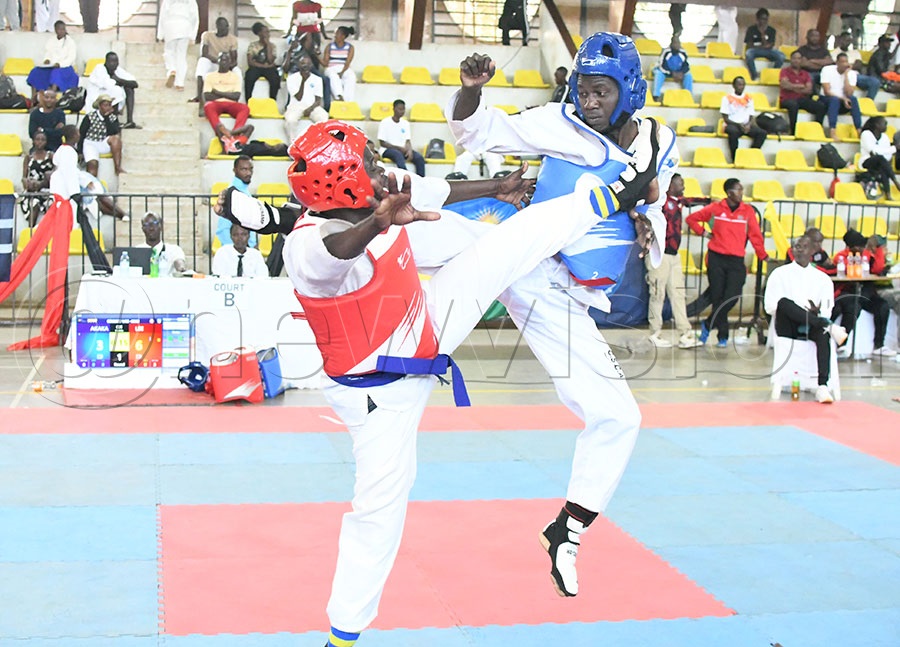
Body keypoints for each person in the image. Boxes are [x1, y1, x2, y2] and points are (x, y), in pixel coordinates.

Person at [214, 116, 661, 647]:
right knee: (379, 510)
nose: (381, 167)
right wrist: (376, 224)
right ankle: (343, 636)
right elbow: (336, 251)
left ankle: (612, 199)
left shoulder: (378, 196)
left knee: (509, 243)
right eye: (370, 164)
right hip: (381, 392)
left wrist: (496, 187)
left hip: (424, 323)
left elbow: (437, 191)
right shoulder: (309, 251)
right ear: (347, 183)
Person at [445, 33, 672, 600]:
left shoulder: (657, 139)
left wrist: (649, 221)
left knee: (619, 416)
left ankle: (567, 530)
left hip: (561, 298)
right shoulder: (556, 123)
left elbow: (651, 194)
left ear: (628, 91)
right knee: (440, 235)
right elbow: (479, 131)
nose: (588, 101)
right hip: (523, 253)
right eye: (582, 90)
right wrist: (471, 92)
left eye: (601, 92)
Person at [764, 235, 847, 403]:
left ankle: (822, 386)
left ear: (813, 251)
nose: (799, 250)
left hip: (811, 325)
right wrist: (800, 312)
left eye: (804, 247)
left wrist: (816, 314)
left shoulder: (822, 278)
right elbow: (770, 306)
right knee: (784, 303)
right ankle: (829, 326)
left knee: (822, 332)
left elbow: (827, 309)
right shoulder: (779, 274)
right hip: (787, 326)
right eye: (796, 246)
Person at [686, 178, 768, 347]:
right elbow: (691, 219)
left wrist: (763, 255)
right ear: (729, 192)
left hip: (736, 261)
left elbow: (755, 235)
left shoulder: (747, 211)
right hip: (716, 258)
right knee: (718, 298)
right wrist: (704, 233)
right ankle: (722, 336)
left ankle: (707, 324)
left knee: (732, 297)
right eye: (739, 190)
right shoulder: (716, 208)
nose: (742, 193)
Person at [647, 173, 703, 349]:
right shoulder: (660, 202)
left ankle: (684, 333)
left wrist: (710, 200)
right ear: (671, 185)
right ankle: (654, 333)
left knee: (678, 293)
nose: (683, 187)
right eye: (681, 184)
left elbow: (690, 200)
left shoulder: (678, 201)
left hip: (674, 255)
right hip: (659, 254)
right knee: (657, 294)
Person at [831, 229, 895, 357]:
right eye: (859, 246)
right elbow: (846, 272)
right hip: (848, 291)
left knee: (882, 306)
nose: (862, 248)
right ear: (851, 246)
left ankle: (879, 345)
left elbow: (877, 269)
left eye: (862, 246)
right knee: (853, 308)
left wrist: (879, 249)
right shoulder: (841, 257)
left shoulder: (867, 255)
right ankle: (841, 344)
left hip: (866, 292)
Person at [203, 53, 252, 149]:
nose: (224, 62)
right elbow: (207, 96)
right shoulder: (210, 76)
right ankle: (222, 133)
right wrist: (228, 94)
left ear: (230, 63)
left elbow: (236, 96)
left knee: (245, 108)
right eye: (222, 60)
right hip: (216, 103)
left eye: (226, 60)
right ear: (218, 61)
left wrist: (217, 92)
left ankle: (234, 134)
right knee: (208, 106)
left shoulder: (235, 77)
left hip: (231, 104)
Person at [190, 17, 238, 105]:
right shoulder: (207, 35)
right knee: (202, 61)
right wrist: (217, 60)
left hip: (224, 64)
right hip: (211, 61)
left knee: (237, 72)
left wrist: (226, 65)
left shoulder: (232, 39)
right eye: (224, 27)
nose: (226, 29)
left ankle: (236, 100)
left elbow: (234, 60)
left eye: (227, 27)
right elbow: (204, 53)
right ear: (218, 27)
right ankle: (199, 96)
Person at [86, 52, 140, 129]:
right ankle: (114, 121)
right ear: (106, 62)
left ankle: (130, 121)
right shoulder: (99, 69)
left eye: (116, 61)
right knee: (117, 91)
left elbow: (135, 84)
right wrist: (120, 81)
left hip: (110, 96)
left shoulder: (117, 70)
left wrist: (118, 79)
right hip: (96, 98)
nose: (114, 64)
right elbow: (109, 85)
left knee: (129, 89)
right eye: (112, 61)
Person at [779, 50, 827, 135]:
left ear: (801, 60)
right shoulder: (784, 71)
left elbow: (809, 90)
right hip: (787, 99)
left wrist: (792, 86)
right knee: (793, 105)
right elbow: (784, 85)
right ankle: (793, 132)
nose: (796, 61)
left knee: (821, 106)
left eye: (799, 59)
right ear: (791, 59)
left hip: (801, 99)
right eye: (794, 58)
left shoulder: (805, 74)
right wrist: (800, 86)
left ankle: (816, 130)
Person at [215, 155, 258, 248]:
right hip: (236, 250)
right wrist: (234, 251)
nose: (248, 173)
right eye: (244, 169)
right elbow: (223, 228)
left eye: (250, 169)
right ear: (235, 170)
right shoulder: (232, 193)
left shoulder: (244, 191)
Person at [283, 52, 328, 141]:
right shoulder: (292, 78)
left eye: (308, 63)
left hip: (313, 106)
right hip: (295, 106)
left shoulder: (317, 79)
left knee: (324, 118)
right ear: (298, 65)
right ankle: (293, 144)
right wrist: (303, 81)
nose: (305, 66)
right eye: (303, 63)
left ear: (311, 65)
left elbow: (318, 100)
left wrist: (310, 109)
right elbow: (298, 97)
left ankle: (317, 143)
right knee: (290, 120)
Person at [26, 21, 79, 96]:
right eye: (59, 29)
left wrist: (59, 64)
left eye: (63, 29)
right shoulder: (51, 40)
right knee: (36, 71)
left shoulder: (70, 42)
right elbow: (48, 52)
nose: (62, 31)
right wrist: (47, 59)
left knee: (56, 73)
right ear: (55, 30)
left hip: (65, 68)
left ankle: (51, 97)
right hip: (51, 66)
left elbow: (71, 58)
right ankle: (34, 98)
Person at [721, 76, 766, 161]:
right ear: (733, 85)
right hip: (733, 124)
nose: (741, 87)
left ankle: (751, 155)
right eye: (739, 84)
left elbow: (751, 115)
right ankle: (735, 158)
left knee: (762, 133)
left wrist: (748, 125)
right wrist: (739, 125)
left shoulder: (749, 98)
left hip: (746, 125)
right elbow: (726, 118)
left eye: (743, 85)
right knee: (733, 133)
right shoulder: (726, 98)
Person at [157, 0, 198, 91]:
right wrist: (193, 35)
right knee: (181, 55)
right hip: (185, 26)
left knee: (169, 51)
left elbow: (163, 16)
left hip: (170, 25)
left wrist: (160, 35)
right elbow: (195, 17)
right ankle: (180, 83)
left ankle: (172, 69)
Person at [79, 94, 125, 175]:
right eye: (105, 105)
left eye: (109, 105)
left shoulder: (113, 118)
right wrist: (80, 151)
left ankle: (117, 167)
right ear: (99, 106)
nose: (108, 108)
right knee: (93, 165)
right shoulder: (90, 117)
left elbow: (113, 132)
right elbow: (82, 133)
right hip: (90, 143)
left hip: (104, 142)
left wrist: (107, 118)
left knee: (116, 139)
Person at [378, 99, 425, 176]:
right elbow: (382, 143)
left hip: (403, 150)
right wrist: (399, 148)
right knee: (398, 155)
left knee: (419, 158)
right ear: (394, 109)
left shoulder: (405, 123)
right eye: (399, 109)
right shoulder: (385, 122)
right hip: (387, 150)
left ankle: (421, 179)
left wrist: (409, 150)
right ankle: (406, 177)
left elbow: (408, 140)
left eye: (403, 109)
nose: (402, 111)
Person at [820, 52, 861, 139]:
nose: (845, 64)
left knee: (853, 99)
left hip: (843, 102)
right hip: (826, 100)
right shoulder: (827, 70)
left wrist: (846, 75)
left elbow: (849, 93)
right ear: (837, 63)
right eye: (842, 62)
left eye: (846, 62)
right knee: (834, 100)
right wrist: (843, 99)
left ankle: (859, 130)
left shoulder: (851, 74)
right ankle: (832, 131)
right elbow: (827, 91)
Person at [832, 31, 881, 101]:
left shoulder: (855, 52)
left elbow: (859, 65)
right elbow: (838, 67)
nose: (847, 42)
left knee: (875, 82)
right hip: (842, 76)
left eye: (849, 40)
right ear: (840, 40)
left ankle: (867, 102)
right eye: (845, 40)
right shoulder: (834, 53)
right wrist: (851, 65)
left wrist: (845, 65)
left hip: (856, 76)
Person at [859, 116, 900, 198]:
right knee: (880, 159)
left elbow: (888, 155)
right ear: (877, 125)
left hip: (880, 163)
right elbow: (873, 151)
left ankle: (888, 194)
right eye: (884, 124)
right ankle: (895, 181)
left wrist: (888, 151)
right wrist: (894, 148)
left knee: (883, 166)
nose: (886, 126)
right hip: (866, 162)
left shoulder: (885, 137)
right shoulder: (866, 134)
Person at [21, 130, 54, 226]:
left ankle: (49, 232)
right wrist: (26, 182)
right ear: (33, 141)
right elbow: (24, 177)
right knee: (34, 203)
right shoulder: (29, 157)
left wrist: (42, 183)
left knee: (51, 204)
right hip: (32, 189)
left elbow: (55, 173)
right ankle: (30, 231)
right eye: (38, 139)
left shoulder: (50, 156)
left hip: (47, 188)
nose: (40, 142)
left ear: (46, 142)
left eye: (43, 140)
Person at [138, 212, 187, 276]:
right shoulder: (137, 251)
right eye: (147, 225)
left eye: (155, 224)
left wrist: (181, 268)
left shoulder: (174, 250)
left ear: (161, 226)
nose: (151, 228)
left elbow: (179, 263)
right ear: (142, 228)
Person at [743, 9, 784, 82]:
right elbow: (749, 45)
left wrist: (763, 36)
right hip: (755, 51)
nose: (764, 21)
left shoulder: (771, 30)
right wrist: (762, 47)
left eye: (766, 19)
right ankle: (754, 75)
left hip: (768, 51)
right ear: (757, 19)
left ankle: (771, 74)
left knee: (781, 56)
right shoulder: (751, 29)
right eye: (762, 19)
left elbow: (770, 45)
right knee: (748, 53)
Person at [245, 22, 281, 101]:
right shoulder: (253, 45)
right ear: (259, 34)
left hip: (269, 68)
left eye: (268, 32)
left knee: (275, 78)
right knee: (249, 76)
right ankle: (248, 101)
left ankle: (272, 101)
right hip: (256, 67)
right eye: (265, 32)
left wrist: (268, 45)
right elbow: (250, 62)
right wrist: (264, 66)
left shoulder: (272, 46)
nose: (268, 34)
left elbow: (270, 60)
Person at [652, 34, 692, 102]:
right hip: (666, 72)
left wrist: (681, 73)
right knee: (658, 73)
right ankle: (656, 96)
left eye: (678, 43)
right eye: (675, 43)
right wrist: (672, 73)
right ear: (671, 44)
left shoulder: (683, 52)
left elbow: (686, 66)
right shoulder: (666, 51)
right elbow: (662, 65)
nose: (677, 45)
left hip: (678, 72)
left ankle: (688, 96)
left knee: (688, 75)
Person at [49, 124, 81, 203]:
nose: (79, 135)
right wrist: (75, 193)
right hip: (64, 189)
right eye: (78, 133)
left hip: (58, 186)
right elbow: (69, 172)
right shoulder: (69, 151)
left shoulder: (61, 149)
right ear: (74, 136)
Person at [323, 26, 356, 101]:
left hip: (344, 68)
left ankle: (348, 100)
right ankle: (339, 97)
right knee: (333, 76)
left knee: (351, 77)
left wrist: (342, 72)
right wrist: (316, 56)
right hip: (331, 68)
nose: (335, 35)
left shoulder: (350, 47)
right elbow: (325, 63)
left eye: (337, 33)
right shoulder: (329, 47)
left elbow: (347, 63)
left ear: (343, 36)